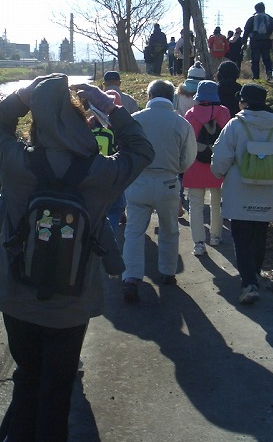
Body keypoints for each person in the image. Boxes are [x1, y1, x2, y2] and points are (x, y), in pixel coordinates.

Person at [0, 74, 154, 441]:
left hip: (17, 294)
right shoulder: (100, 172)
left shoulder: (17, 164)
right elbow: (140, 150)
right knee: (58, 389)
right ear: (81, 124)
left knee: (27, 377)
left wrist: (24, 97)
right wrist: (110, 108)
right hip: (72, 301)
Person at [211, 83, 273, 304]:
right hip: (269, 188)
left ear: (244, 102)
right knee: (260, 232)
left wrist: (219, 172)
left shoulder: (235, 125)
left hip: (239, 188)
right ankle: (255, 275)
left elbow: (221, 157)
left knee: (241, 236)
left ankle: (248, 283)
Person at [122, 79, 197, 303]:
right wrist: (175, 168)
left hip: (139, 181)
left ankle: (131, 277)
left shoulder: (135, 120)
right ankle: (167, 272)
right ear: (171, 96)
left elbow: (124, 151)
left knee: (134, 232)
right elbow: (188, 158)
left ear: (149, 95)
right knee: (169, 230)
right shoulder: (181, 123)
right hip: (168, 182)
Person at [183, 81, 231, 256]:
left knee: (195, 205)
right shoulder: (224, 112)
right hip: (217, 165)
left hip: (194, 165)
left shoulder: (190, 114)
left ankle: (199, 244)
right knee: (216, 203)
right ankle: (216, 237)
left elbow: (186, 141)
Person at [88, 90, 128, 234]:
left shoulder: (90, 123)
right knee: (116, 206)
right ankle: (108, 237)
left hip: (92, 170)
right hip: (113, 171)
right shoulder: (118, 125)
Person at [242, 2, 273, 81]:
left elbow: (246, 30)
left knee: (255, 60)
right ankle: (269, 73)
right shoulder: (269, 18)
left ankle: (256, 76)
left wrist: (244, 42)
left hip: (254, 41)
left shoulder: (252, 18)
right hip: (266, 41)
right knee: (267, 59)